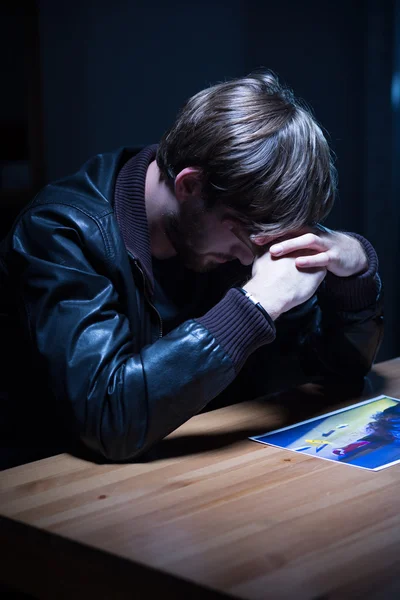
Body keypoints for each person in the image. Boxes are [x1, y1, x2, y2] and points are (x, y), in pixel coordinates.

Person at [0, 71, 383, 469]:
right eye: (246, 234)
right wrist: (254, 307)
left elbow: (332, 375)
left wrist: (355, 273)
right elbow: (108, 419)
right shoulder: (60, 232)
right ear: (190, 186)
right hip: (53, 491)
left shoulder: (241, 223)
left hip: (198, 475)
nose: (252, 258)